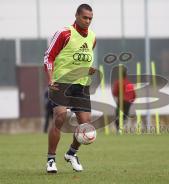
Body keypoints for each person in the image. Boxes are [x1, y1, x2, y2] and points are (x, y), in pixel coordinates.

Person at [43, 4, 96, 173]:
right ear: (76, 16)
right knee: (60, 117)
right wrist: (50, 78)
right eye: (84, 17)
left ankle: (72, 153)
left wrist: (87, 70)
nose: (87, 21)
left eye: (90, 18)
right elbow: (49, 57)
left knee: (86, 126)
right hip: (61, 83)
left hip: (81, 84)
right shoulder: (64, 33)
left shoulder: (93, 37)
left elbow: (81, 59)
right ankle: (51, 160)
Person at [112, 67, 136, 133]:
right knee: (125, 115)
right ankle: (122, 126)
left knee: (118, 114)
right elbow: (133, 94)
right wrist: (131, 101)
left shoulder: (118, 82)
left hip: (121, 101)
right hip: (128, 102)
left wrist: (118, 96)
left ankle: (118, 128)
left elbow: (115, 92)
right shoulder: (129, 83)